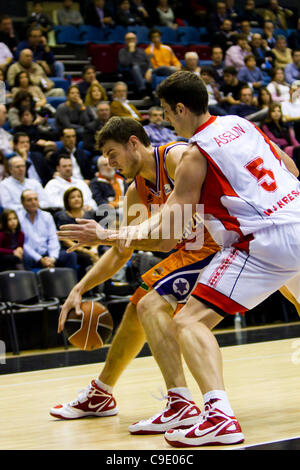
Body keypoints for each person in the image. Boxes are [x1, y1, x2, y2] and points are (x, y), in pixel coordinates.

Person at [109, 70, 300, 447]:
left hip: (263, 241)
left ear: (180, 108)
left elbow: (174, 214)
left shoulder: (196, 152)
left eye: (166, 112)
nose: (165, 120)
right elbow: (290, 169)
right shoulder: (241, 124)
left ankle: (218, 416)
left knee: (189, 321)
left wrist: (122, 233)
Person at [51, 117, 219, 431]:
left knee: (149, 305)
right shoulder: (136, 191)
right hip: (193, 251)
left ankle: (181, 403)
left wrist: (105, 234)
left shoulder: (176, 157)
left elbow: (165, 237)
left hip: (222, 244)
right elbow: (122, 249)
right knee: (138, 305)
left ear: (133, 143)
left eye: (112, 154)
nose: (109, 162)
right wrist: (80, 287)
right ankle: (102, 393)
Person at [18, 189, 77, 272]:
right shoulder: (18, 218)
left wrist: (52, 258)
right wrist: (40, 259)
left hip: (48, 254)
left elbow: (53, 238)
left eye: (35, 199)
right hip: (31, 256)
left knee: (70, 255)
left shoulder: (46, 216)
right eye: (29, 200)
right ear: (22, 203)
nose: (33, 202)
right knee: (24, 257)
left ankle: (73, 283)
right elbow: (23, 244)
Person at [54, 187, 99, 275]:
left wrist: (94, 248)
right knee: (86, 258)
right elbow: (66, 241)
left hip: (89, 246)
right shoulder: (62, 216)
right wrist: (87, 252)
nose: (76, 199)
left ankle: (108, 285)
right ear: (67, 201)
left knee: (106, 251)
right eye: (72, 197)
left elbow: (97, 234)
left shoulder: (89, 214)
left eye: (79, 196)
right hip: (73, 248)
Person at [90, 156, 126, 226]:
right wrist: (116, 205)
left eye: (110, 164)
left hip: (125, 207)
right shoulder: (95, 183)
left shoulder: (121, 179)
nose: (109, 167)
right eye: (105, 165)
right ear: (99, 168)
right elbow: (99, 201)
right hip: (109, 211)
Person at [118, 32, 152, 99]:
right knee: (135, 68)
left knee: (163, 69)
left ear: (136, 40)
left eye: (133, 39)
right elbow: (124, 63)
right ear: (125, 41)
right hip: (130, 73)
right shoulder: (122, 51)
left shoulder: (142, 50)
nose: (131, 40)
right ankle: (143, 92)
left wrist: (149, 70)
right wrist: (131, 52)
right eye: (129, 39)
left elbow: (149, 63)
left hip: (144, 71)